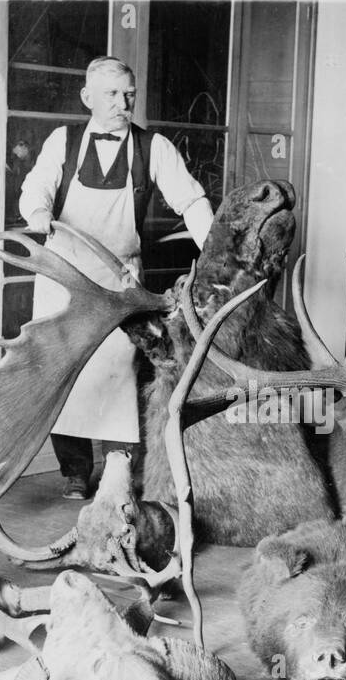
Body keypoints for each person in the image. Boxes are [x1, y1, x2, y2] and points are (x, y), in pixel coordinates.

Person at [19, 55, 215, 498]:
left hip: (119, 281)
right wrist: (37, 213)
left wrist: (215, 249)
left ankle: (118, 467)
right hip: (62, 278)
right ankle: (73, 470)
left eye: (129, 94)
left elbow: (192, 202)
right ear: (88, 97)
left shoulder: (154, 147)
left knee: (118, 372)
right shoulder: (62, 142)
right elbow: (37, 187)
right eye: (111, 94)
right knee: (64, 370)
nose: (122, 103)